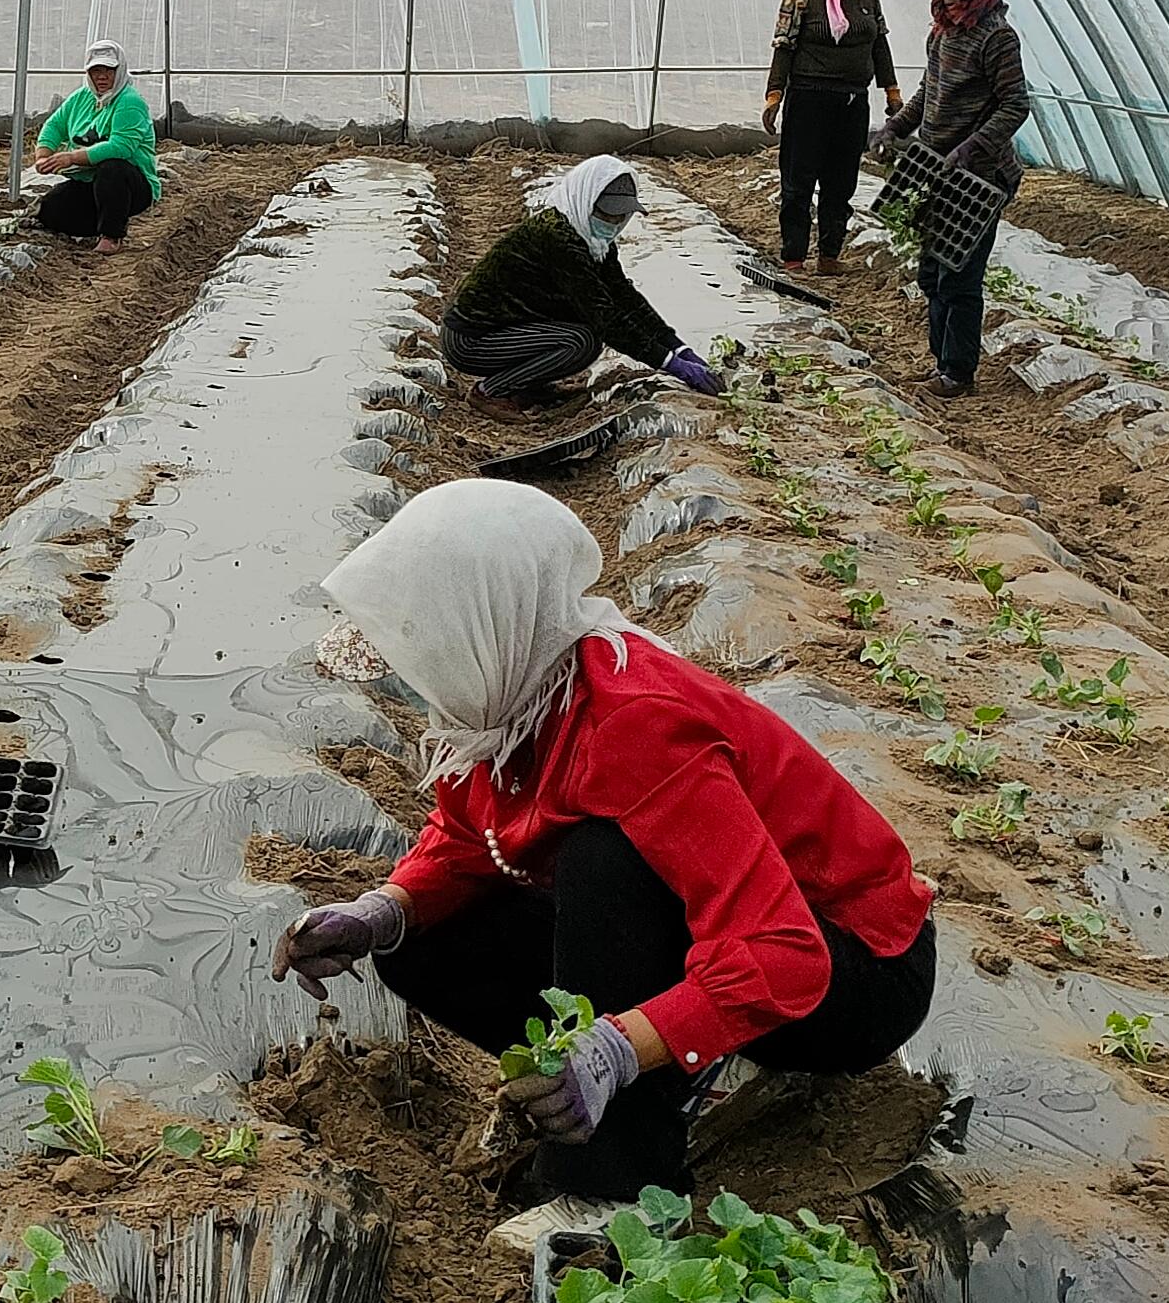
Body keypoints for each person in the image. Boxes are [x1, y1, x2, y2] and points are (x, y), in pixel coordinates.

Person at [271, 481, 938, 1225]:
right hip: (722, 941)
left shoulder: (634, 723)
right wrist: (379, 912)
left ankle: (611, 1185)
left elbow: (783, 951)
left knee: (602, 861)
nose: (416, 671)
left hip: (855, 969)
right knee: (418, 943)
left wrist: (613, 1052)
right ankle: (688, 1063)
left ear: (491, 620)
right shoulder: (519, 695)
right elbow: (469, 834)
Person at [873, 0, 1027, 397]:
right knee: (930, 274)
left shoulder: (997, 38)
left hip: (979, 178)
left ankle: (958, 372)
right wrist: (894, 128)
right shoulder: (941, 32)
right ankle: (942, 361)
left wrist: (973, 146)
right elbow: (929, 93)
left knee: (959, 277)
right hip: (935, 171)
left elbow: (1015, 104)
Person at [439, 157, 719, 405]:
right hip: (472, 340)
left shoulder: (594, 240)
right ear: (586, 199)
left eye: (620, 215)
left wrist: (677, 346)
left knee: (581, 332)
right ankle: (490, 391)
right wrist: (670, 364)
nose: (613, 221)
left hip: (510, 328)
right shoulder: (559, 239)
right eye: (607, 212)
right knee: (581, 342)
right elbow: (605, 317)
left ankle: (526, 387)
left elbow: (623, 296)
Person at [762, 0, 902, 274]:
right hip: (809, 100)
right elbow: (784, 48)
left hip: (852, 102)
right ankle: (794, 255)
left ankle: (829, 256)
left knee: (841, 182)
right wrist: (773, 97)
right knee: (798, 180)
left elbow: (879, 45)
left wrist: (892, 92)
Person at [28, 41, 161, 252]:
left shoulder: (130, 102)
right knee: (50, 210)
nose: (101, 76)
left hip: (131, 183)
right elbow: (54, 125)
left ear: (120, 71)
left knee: (112, 168)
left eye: (108, 70)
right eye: (95, 70)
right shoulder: (81, 97)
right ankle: (100, 222)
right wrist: (43, 155)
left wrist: (71, 158)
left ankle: (112, 234)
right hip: (89, 180)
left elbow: (121, 147)